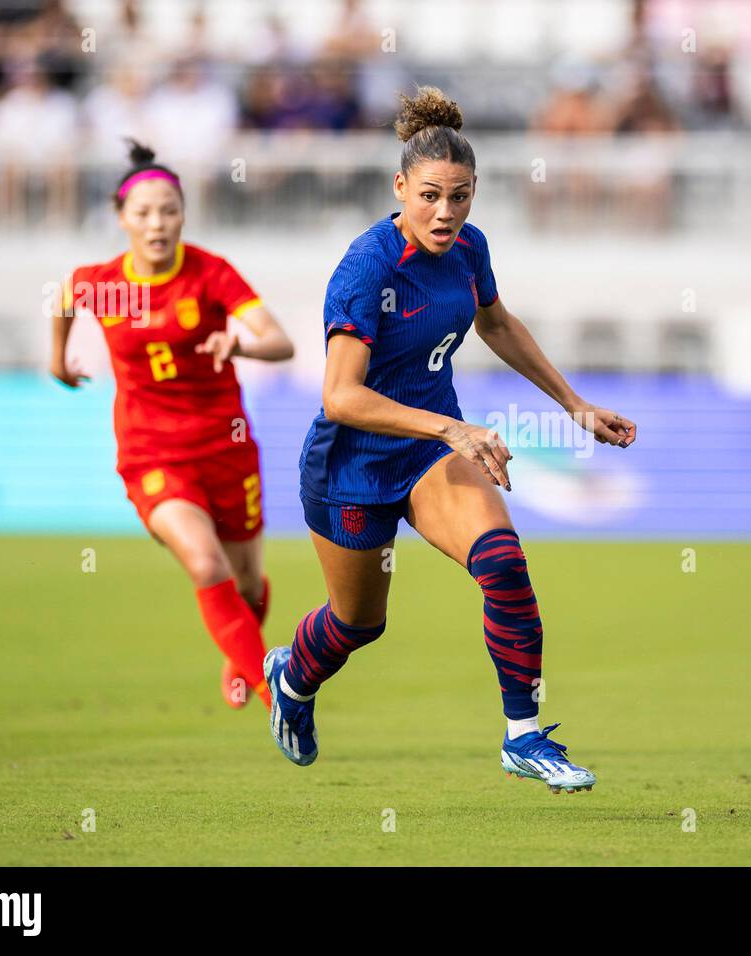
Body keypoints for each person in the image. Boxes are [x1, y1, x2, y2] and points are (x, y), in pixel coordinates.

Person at [263, 87, 637, 791]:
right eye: (430, 195)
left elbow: (495, 323)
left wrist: (574, 405)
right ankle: (293, 679)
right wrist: (452, 426)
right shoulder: (367, 266)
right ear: (399, 187)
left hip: (434, 455)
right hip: (351, 467)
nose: (445, 212)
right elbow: (340, 396)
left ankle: (523, 737)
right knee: (357, 623)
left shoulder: (469, 249)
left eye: (461, 196)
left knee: (501, 561)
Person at [52, 140, 294, 709]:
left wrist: (242, 344)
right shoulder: (104, 281)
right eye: (143, 213)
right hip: (151, 453)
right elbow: (63, 298)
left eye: (168, 211)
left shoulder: (211, 274)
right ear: (121, 219)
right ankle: (271, 690)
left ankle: (240, 653)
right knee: (203, 560)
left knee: (248, 584)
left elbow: (281, 342)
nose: (157, 224)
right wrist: (56, 360)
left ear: (183, 213)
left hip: (226, 447)